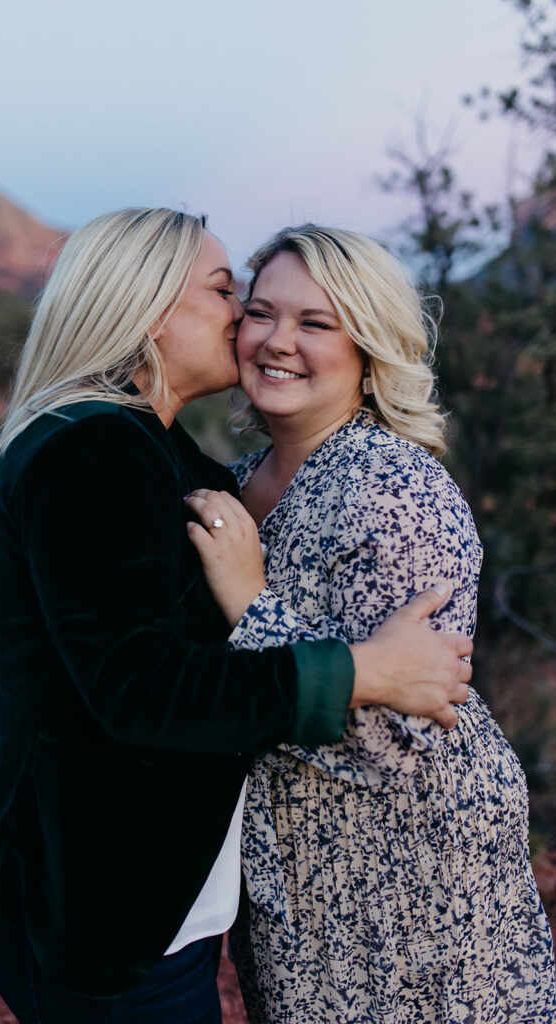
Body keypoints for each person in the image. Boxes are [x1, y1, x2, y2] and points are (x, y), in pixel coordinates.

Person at [0, 208, 472, 1024]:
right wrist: (364, 670)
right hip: (104, 914)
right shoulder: (94, 450)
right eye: (228, 292)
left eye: (308, 318)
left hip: (148, 897)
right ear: (149, 310)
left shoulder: (163, 456)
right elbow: (141, 688)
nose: (243, 319)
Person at [186, 224, 556, 1023]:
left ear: (369, 348)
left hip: (413, 890)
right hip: (296, 878)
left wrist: (252, 604)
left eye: (316, 323)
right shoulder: (239, 481)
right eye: (259, 312)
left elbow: (389, 737)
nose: (277, 341)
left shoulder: (394, 495)